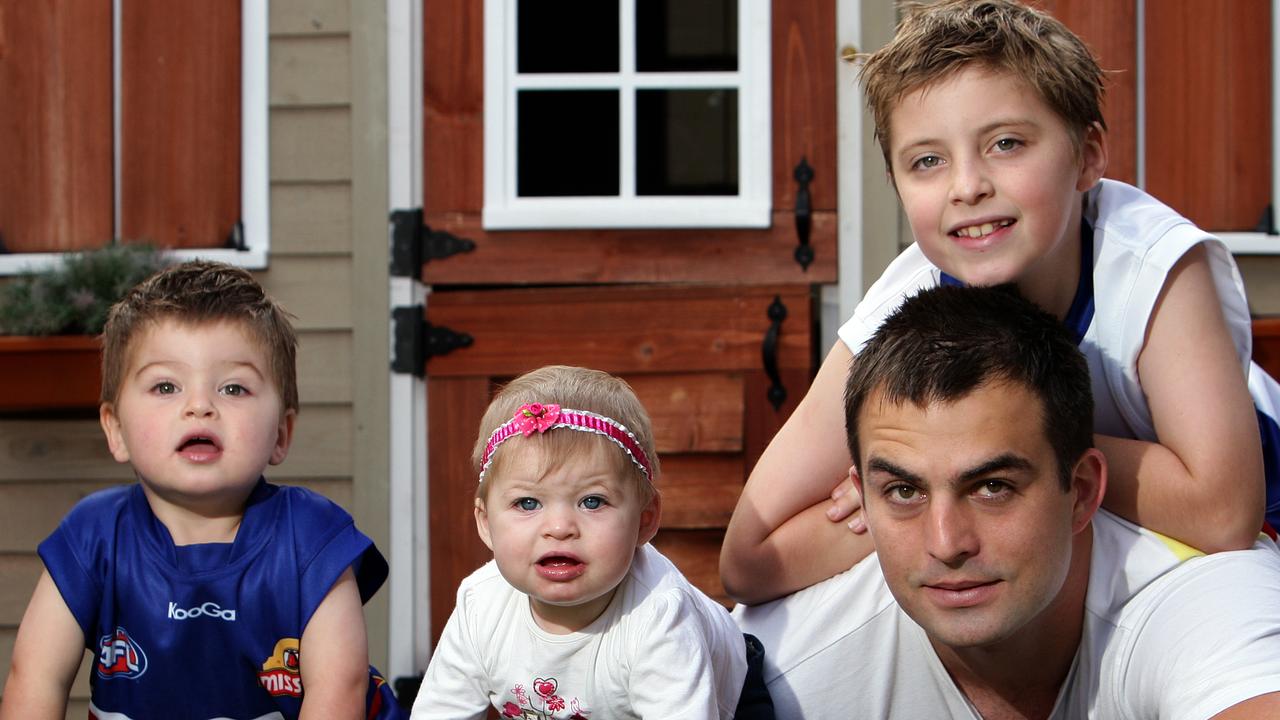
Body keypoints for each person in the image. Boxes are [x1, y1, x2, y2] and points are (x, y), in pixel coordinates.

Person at [721, 0, 1280, 606]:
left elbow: (1224, 515)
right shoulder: (905, 302)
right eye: (928, 161)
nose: (967, 186)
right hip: (1066, 526)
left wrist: (992, 448)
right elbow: (751, 559)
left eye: (1007, 143)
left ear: (1088, 155)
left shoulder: (1152, 265)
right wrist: (906, 490)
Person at [735, 283, 1280, 719]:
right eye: (903, 491)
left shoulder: (1188, 601)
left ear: (1083, 492)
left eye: (992, 487)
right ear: (860, 498)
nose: (946, 543)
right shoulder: (770, 671)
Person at [0, 261, 404, 719]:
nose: (199, 407)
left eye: (233, 388)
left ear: (280, 434)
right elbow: (34, 679)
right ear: (115, 430)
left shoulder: (311, 537)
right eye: (166, 386)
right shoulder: (93, 536)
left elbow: (340, 690)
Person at [412, 365, 771, 720]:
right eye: (528, 503)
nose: (559, 527)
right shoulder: (480, 605)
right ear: (486, 523)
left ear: (645, 520)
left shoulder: (659, 614)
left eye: (592, 501)